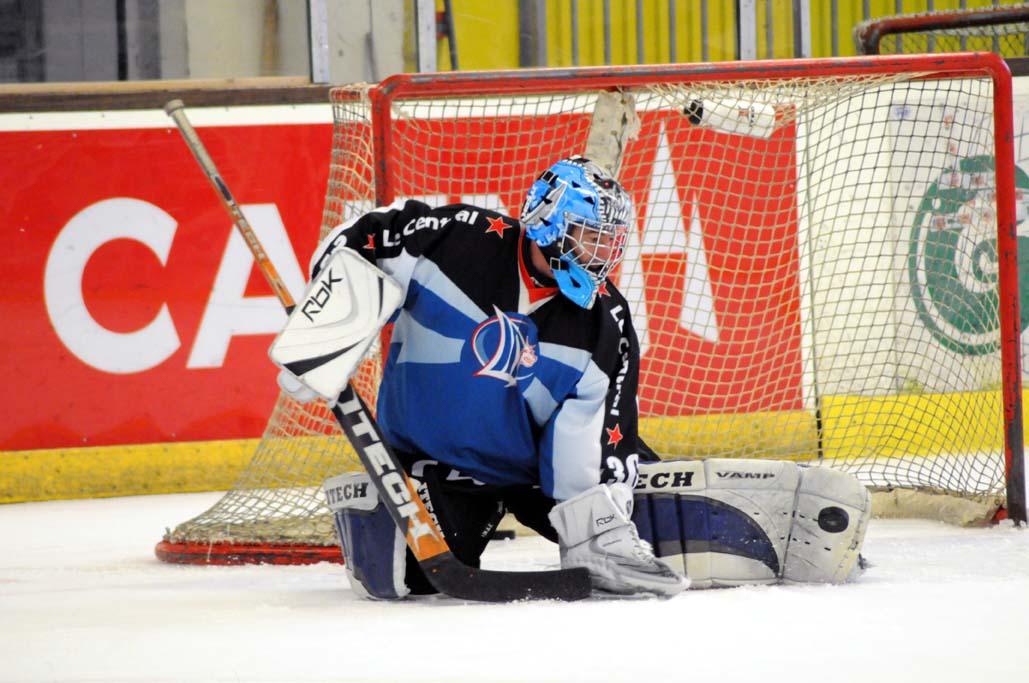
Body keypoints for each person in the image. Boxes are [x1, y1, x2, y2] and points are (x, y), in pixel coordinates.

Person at [279, 155, 687, 599]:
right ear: (549, 222)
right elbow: (364, 238)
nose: (604, 254)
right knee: (410, 578)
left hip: (535, 470)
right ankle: (374, 508)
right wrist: (322, 331)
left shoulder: (606, 321)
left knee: (666, 532)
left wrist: (598, 523)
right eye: (591, 237)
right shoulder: (456, 237)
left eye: (611, 242)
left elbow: (597, 426)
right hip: (439, 461)